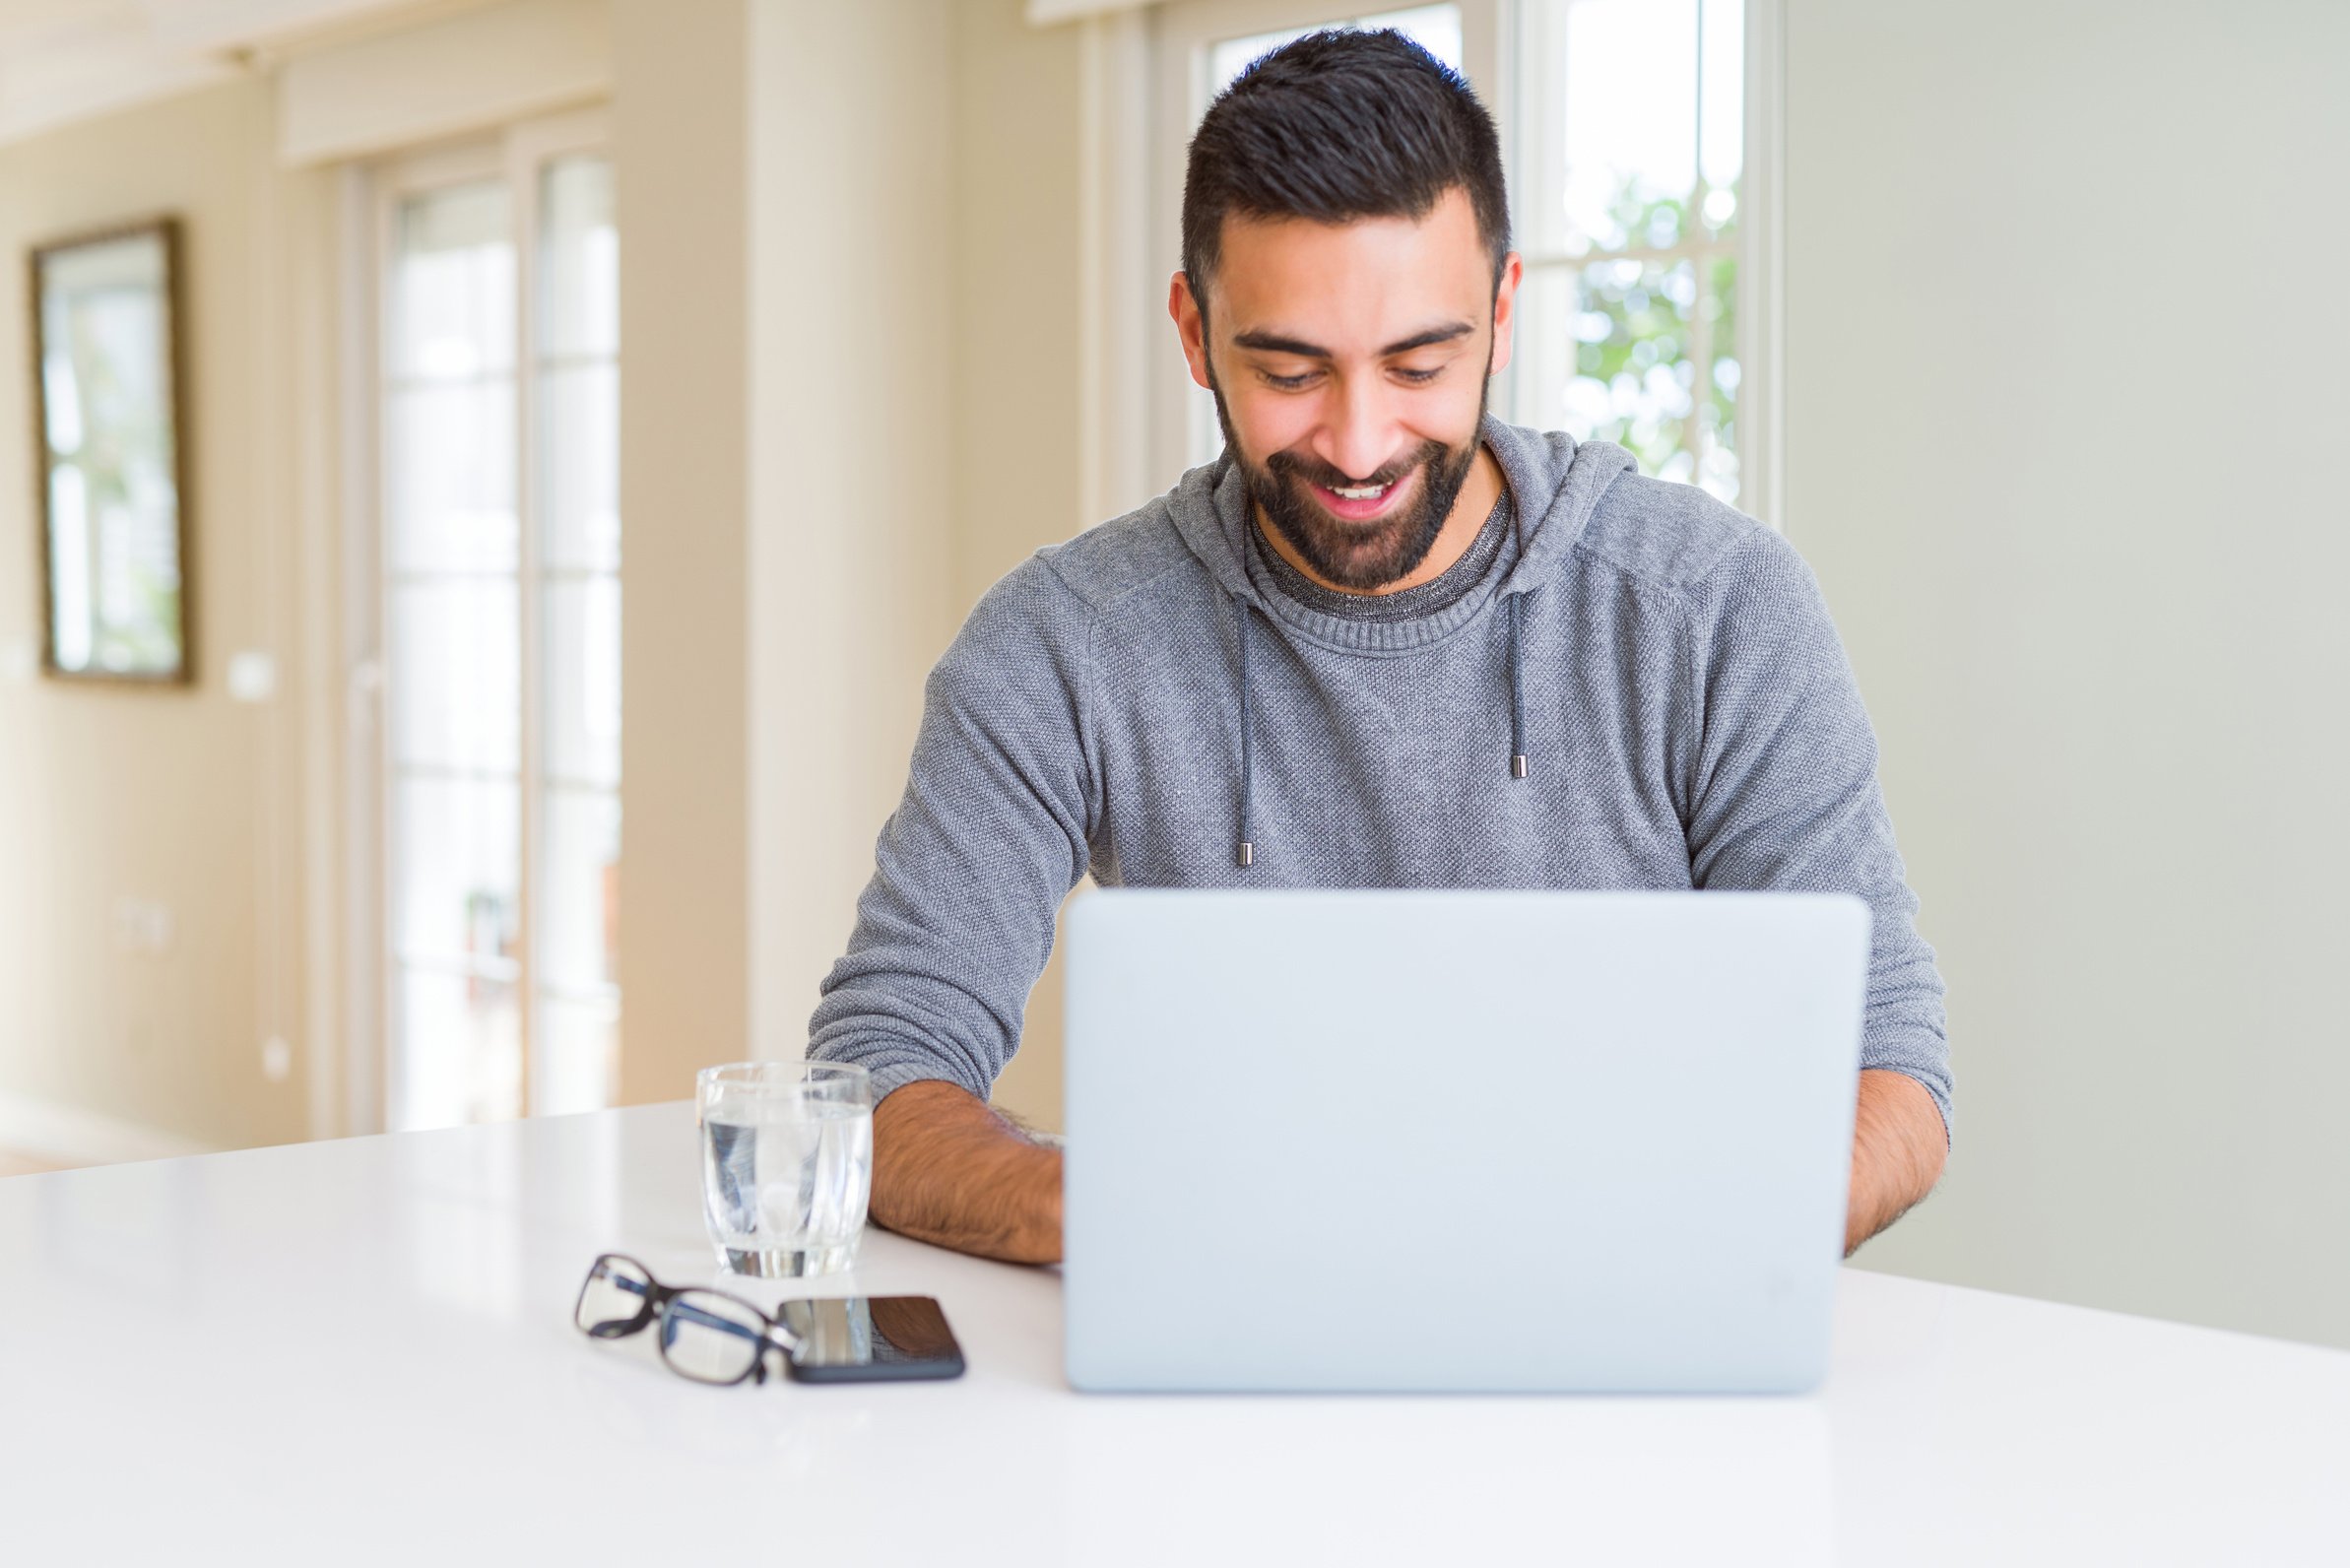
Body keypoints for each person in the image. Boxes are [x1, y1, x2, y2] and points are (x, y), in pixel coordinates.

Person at [810, 29, 1949, 1267]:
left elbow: (1887, 1063)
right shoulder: (1064, 643)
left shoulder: (1712, 608)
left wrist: (1657, 1246)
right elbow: (879, 1063)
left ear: (1502, 314)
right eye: (1291, 370)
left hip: (1624, 1343)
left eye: (1419, 363)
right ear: (1194, 332)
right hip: (1222, 1337)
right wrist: (1106, 1210)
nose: (1357, 442)